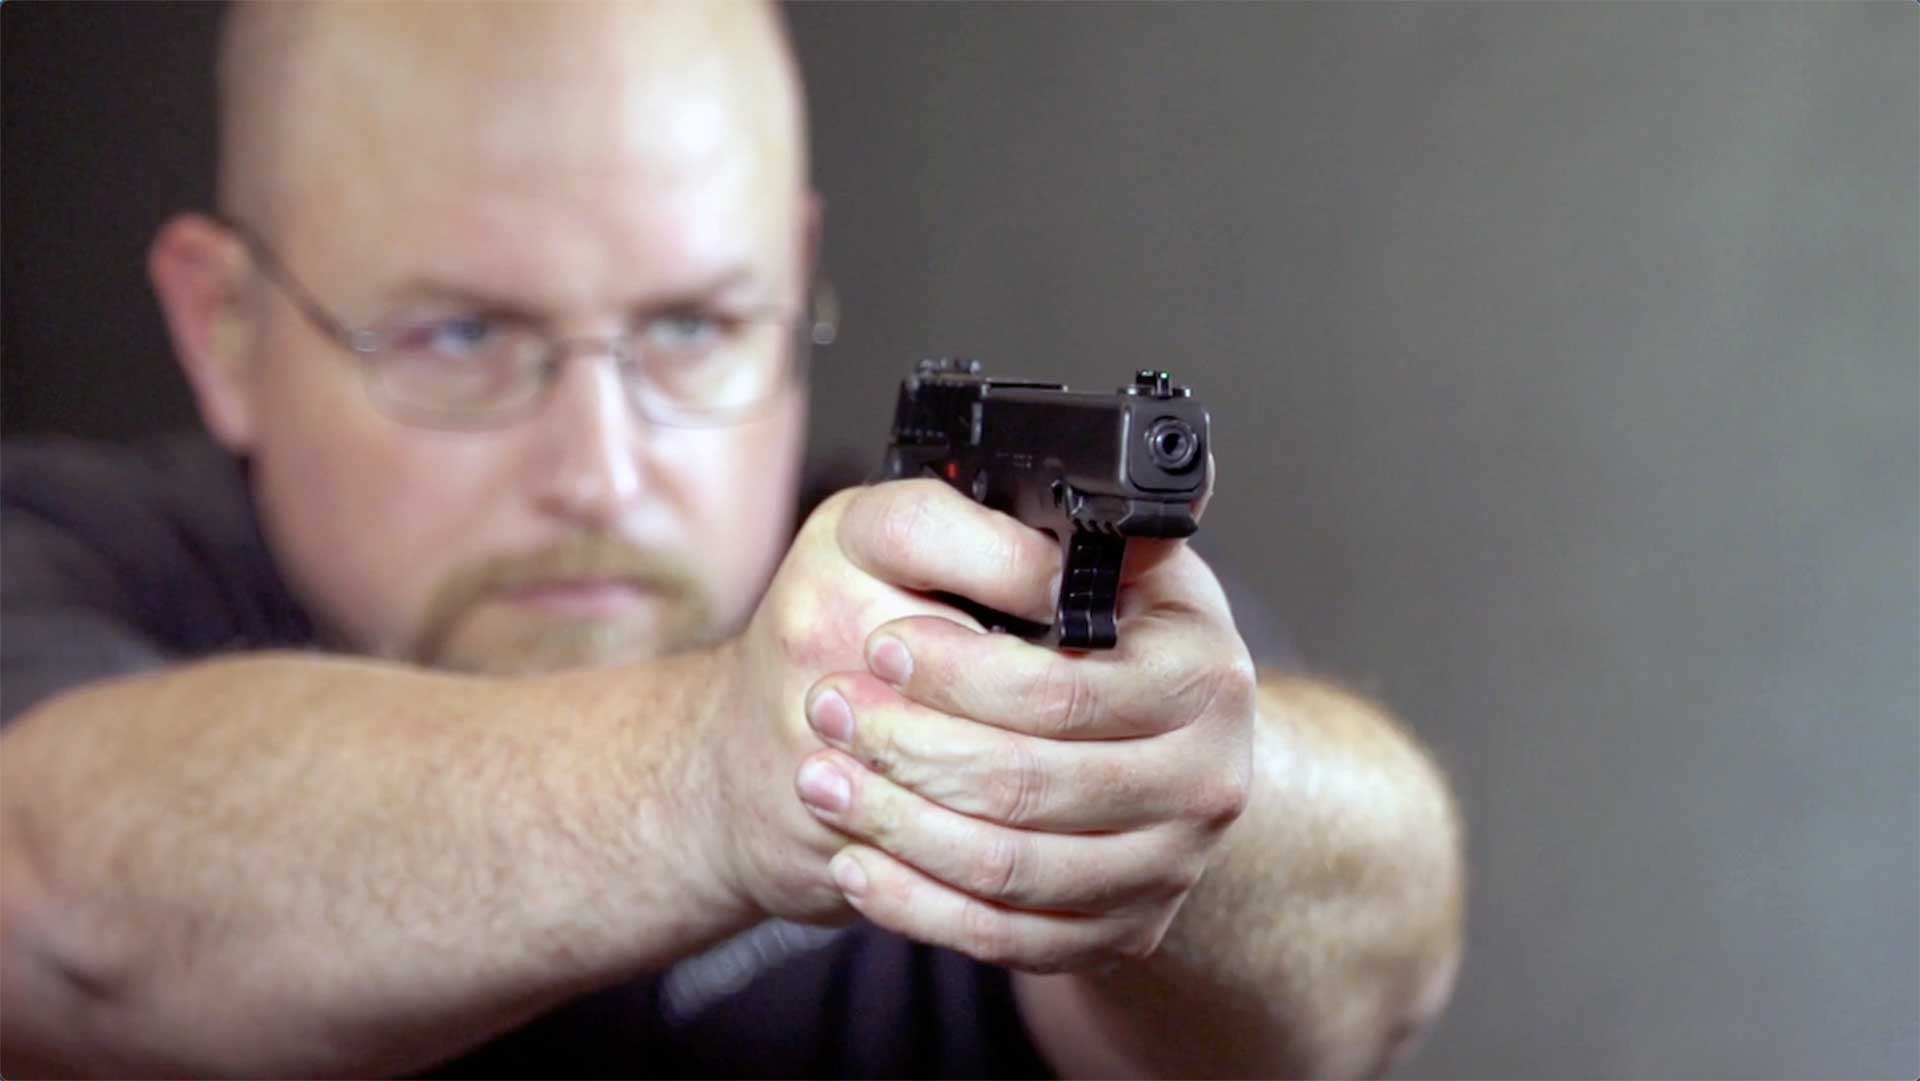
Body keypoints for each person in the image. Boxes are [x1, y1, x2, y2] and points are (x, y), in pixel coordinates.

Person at [0, 3, 1464, 1076]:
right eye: (460, 335)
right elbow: (57, 894)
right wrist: (714, 773)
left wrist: (1185, 802)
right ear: (227, 328)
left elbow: (1378, 952)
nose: (603, 468)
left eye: (694, 328)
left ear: (795, 277)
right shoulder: (67, 556)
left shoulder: (936, 582)